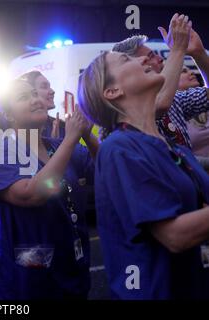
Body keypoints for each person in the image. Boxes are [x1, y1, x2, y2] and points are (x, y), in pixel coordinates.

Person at [79, 16, 209, 299]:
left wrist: (197, 53)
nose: (144, 62)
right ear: (112, 91)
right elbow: (175, 236)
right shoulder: (119, 150)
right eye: (128, 62)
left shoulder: (173, 147)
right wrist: (178, 49)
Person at [0, 77, 95, 300]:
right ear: (10, 115)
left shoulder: (56, 146)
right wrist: (71, 138)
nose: (35, 100)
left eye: (34, 94)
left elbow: (106, 168)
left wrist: (87, 135)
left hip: (72, 268)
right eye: (23, 97)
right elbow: (32, 195)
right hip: (27, 281)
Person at [112, 14, 209, 148]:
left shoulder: (175, 100)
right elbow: (158, 104)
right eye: (149, 57)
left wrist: (199, 54)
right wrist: (178, 49)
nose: (160, 59)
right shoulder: (126, 106)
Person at [20, 70, 66, 139]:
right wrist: (54, 143)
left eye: (50, 86)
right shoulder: (21, 130)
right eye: (44, 87)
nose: (52, 91)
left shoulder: (61, 126)